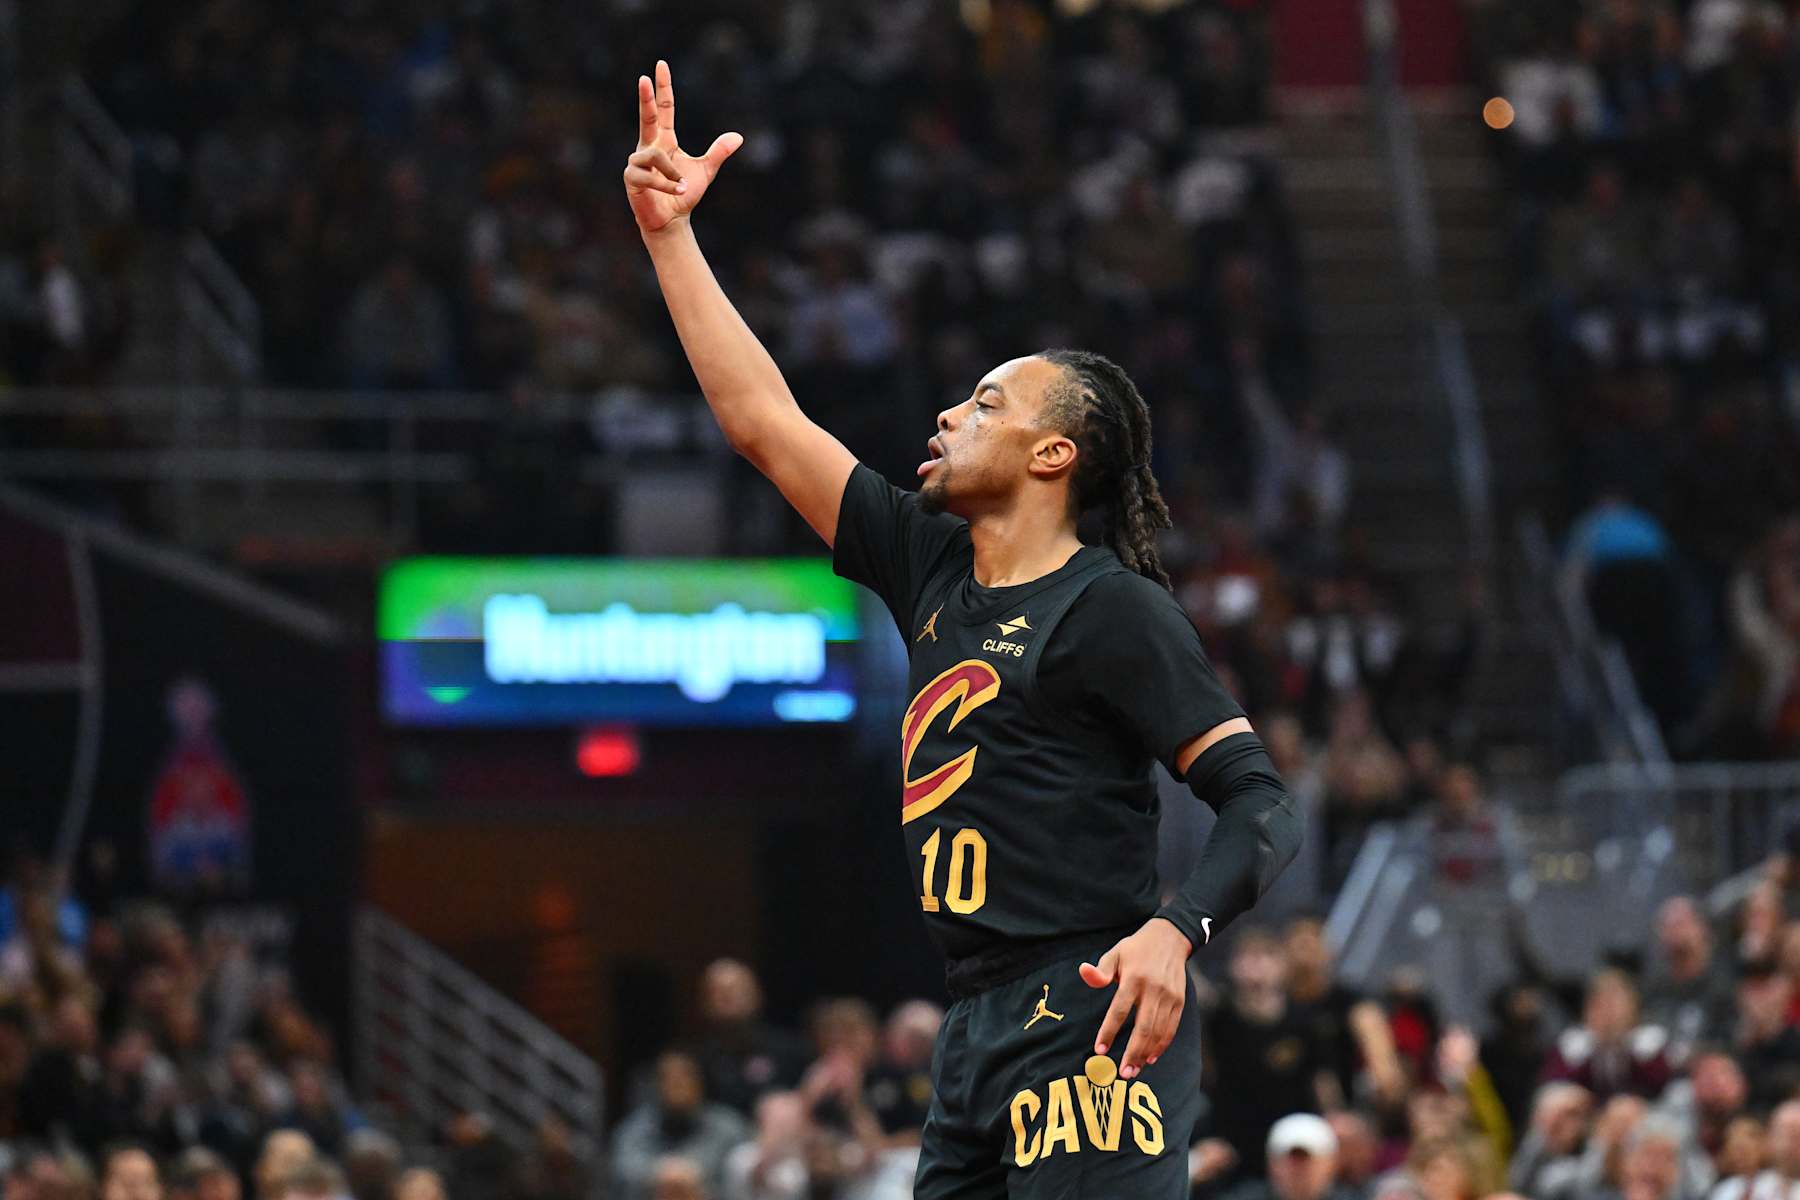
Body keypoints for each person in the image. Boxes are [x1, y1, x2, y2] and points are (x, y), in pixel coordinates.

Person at [622, 57, 1301, 1200]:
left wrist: (1176, 931)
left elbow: (1261, 800)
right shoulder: (930, 561)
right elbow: (761, 421)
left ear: (1053, 455)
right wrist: (670, 238)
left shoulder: (1111, 608)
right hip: (974, 1024)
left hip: (1084, 1011)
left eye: (987, 402)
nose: (948, 411)